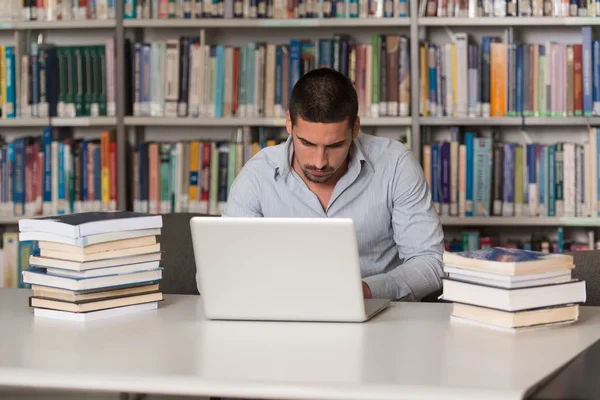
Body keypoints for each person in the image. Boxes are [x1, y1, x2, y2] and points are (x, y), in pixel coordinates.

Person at [223, 67, 444, 301]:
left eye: (335, 146)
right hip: (283, 319)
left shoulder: (396, 165)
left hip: (383, 319)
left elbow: (430, 261)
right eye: (307, 143)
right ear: (289, 123)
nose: (319, 162)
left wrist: (368, 291)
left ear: (355, 128)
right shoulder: (257, 176)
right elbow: (219, 269)